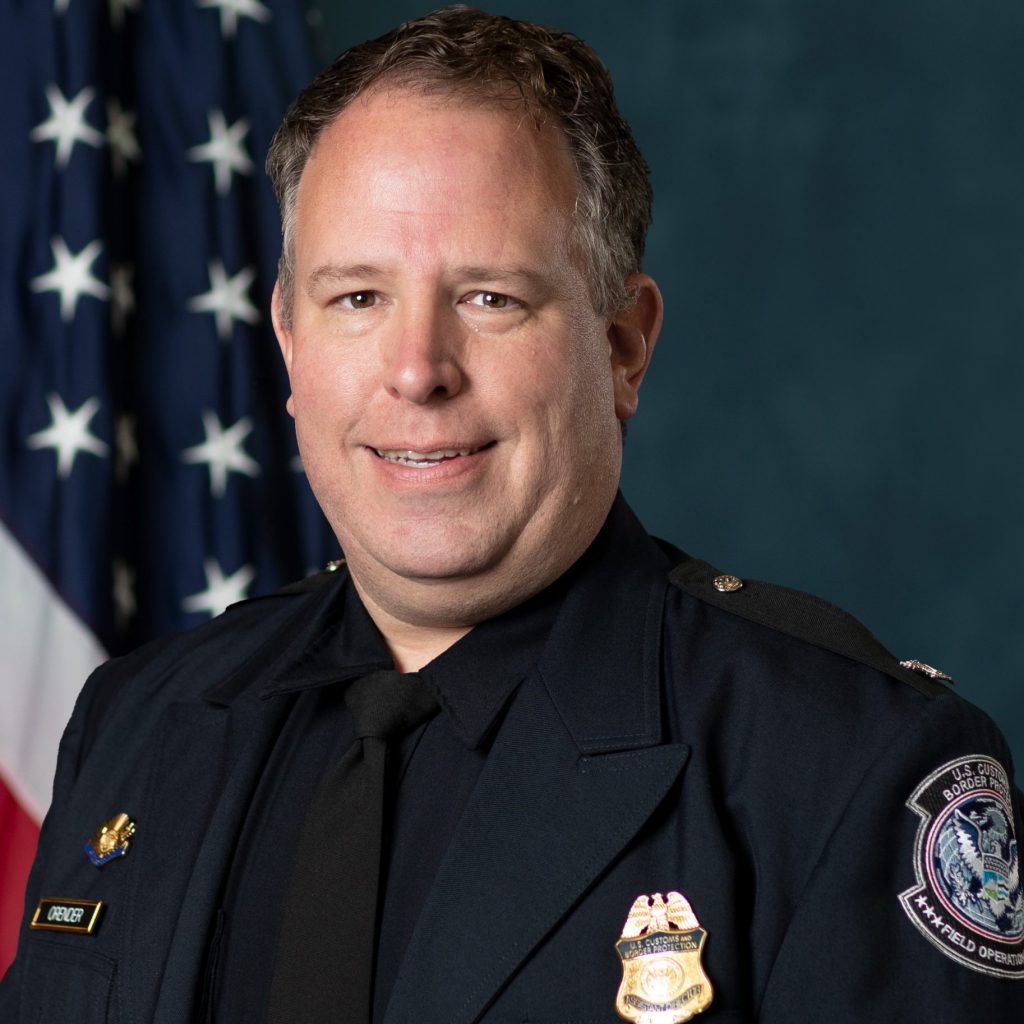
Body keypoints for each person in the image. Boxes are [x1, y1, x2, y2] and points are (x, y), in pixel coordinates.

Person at [3, 6, 1022, 1022]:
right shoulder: (139, 723)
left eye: (490, 297)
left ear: (623, 345)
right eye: (356, 297)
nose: (416, 371)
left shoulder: (845, 767)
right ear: (286, 339)